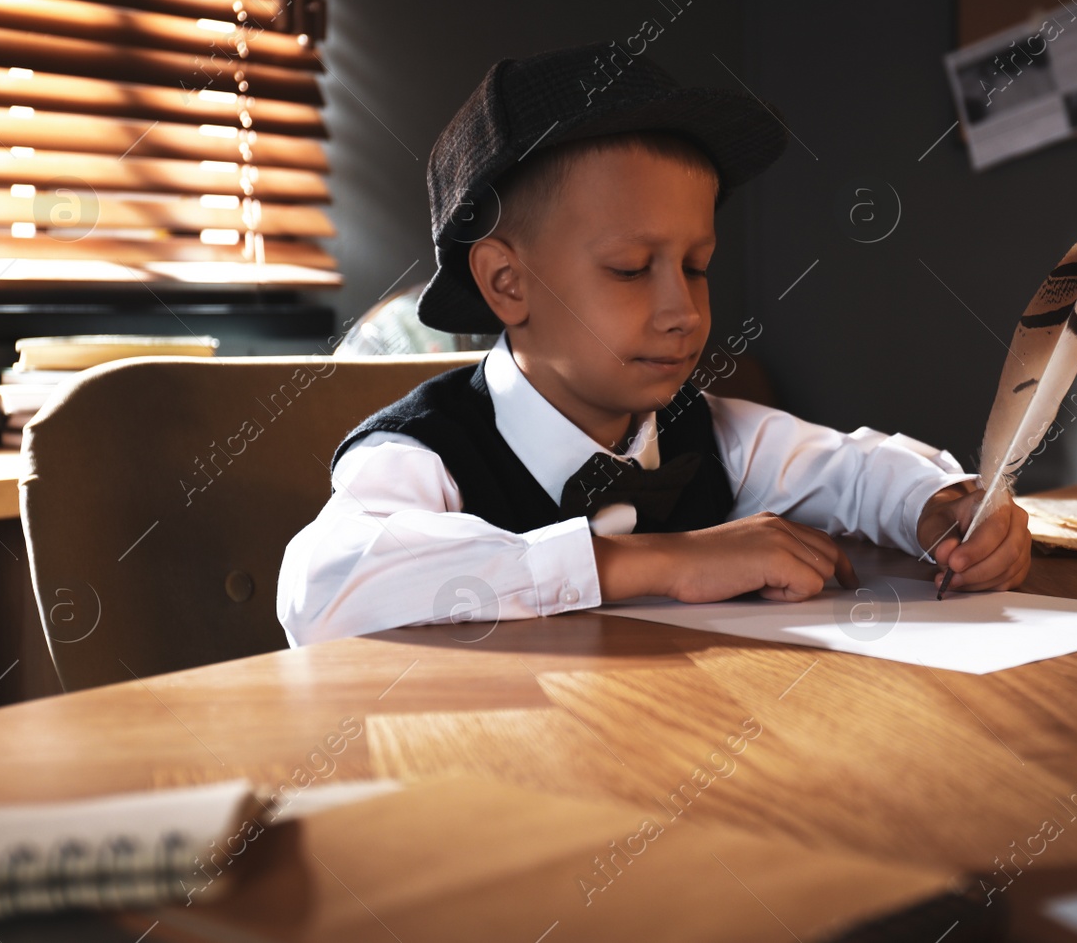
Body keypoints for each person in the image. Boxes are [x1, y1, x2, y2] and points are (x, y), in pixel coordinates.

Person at [277, 42, 1031, 646]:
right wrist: (657, 561)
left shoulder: (713, 431)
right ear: (508, 283)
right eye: (631, 268)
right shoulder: (422, 454)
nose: (684, 311)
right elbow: (323, 586)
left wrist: (938, 507)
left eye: (696, 267)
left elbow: (856, 469)